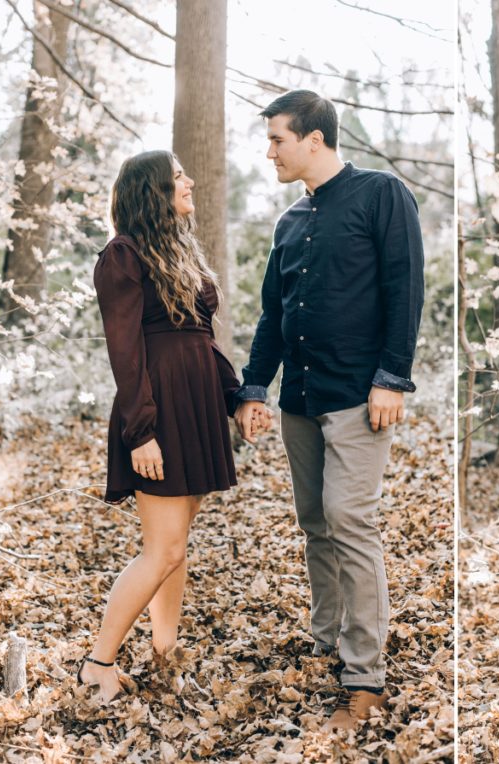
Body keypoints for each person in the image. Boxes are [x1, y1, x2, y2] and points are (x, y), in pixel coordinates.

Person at [233, 91, 425, 731]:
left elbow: (405, 286)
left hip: (359, 398)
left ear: (314, 139)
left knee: (350, 519)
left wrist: (393, 376)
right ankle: (328, 641)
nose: (270, 152)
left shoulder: (381, 195)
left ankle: (365, 675)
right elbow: (273, 314)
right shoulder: (289, 222)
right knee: (315, 520)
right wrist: (254, 388)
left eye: (277, 140)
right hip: (301, 402)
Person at [82, 150, 270, 702]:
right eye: (178, 175)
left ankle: (165, 655)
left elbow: (202, 343)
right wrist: (142, 431)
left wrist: (235, 398)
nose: (189, 181)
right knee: (161, 549)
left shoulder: (179, 252)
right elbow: (126, 352)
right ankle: (98, 664)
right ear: (153, 191)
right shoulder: (122, 256)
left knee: (176, 547)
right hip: (157, 412)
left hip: (197, 407)